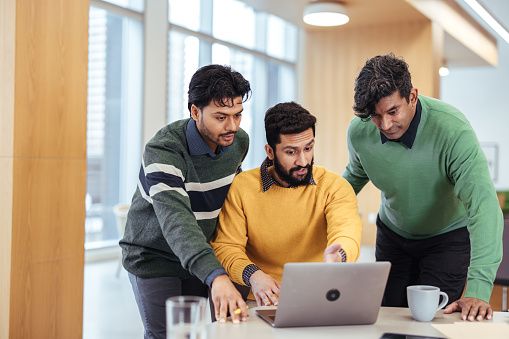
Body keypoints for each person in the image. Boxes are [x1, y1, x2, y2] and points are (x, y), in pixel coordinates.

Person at [342, 53, 503, 321]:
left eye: (393, 111)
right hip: (393, 236)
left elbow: (483, 207)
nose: (385, 125)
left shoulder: (452, 130)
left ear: (412, 96)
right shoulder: (359, 131)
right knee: (387, 321)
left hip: (447, 239)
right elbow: (353, 178)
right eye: (375, 116)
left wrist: (479, 289)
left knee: (431, 325)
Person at [120, 64, 251, 339]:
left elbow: (235, 199)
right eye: (221, 117)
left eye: (237, 115)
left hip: (199, 252)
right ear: (195, 111)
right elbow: (177, 221)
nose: (232, 126)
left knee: (206, 331)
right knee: (169, 335)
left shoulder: (238, 142)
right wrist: (216, 276)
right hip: (154, 256)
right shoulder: (163, 150)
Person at [210, 102, 363, 307]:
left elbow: (347, 231)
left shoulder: (334, 187)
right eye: (291, 152)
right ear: (270, 152)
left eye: (308, 148)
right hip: (260, 300)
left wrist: (339, 256)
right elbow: (226, 247)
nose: (303, 161)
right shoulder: (243, 187)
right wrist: (253, 275)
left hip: (318, 299)